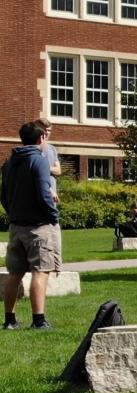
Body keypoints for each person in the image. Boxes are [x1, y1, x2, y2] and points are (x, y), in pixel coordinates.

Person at [2, 121, 61, 330]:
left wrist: (14, 214)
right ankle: (39, 320)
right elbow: (45, 194)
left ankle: (9, 320)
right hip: (38, 226)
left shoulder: (9, 163)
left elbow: (4, 197)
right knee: (41, 270)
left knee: (14, 273)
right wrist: (53, 215)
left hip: (16, 226)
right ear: (41, 138)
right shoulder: (38, 161)